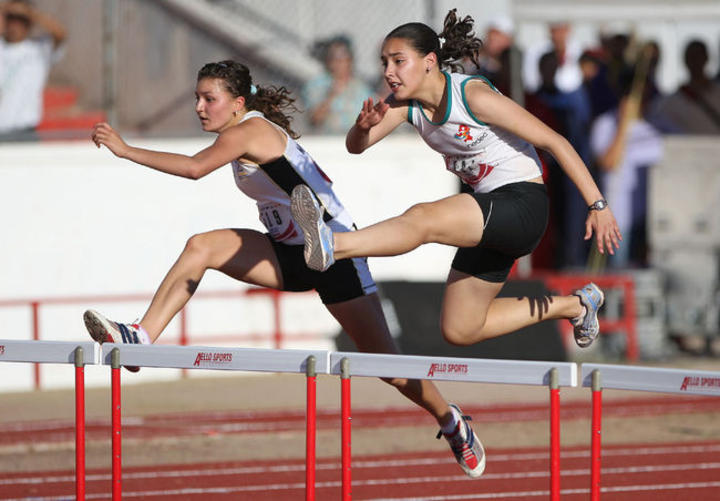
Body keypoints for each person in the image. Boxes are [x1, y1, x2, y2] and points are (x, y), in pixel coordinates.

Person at [84, 60, 486, 478]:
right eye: (197, 99)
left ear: (238, 103)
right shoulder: (240, 131)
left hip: (334, 253)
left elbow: (193, 168)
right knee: (201, 247)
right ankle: (140, 337)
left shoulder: (250, 132)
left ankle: (450, 420)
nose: (200, 107)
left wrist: (125, 149)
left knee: (387, 366)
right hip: (288, 253)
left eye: (209, 99)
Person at [290, 10, 620, 351]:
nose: (388, 72)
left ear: (429, 61)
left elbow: (555, 141)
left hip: (522, 204)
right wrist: (361, 128)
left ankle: (336, 245)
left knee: (423, 218)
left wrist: (598, 205)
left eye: (398, 61)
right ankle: (576, 305)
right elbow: (356, 148)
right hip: (490, 215)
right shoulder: (405, 105)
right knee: (461, 328)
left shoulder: (472, 97)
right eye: (384, 62)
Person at [0, 0, 66, 141]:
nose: (14, 25)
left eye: (20, 20)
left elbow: (60, 33)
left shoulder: (39, 48)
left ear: (29, 23)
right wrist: (5, 9)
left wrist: (29, 12)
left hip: (25, 131)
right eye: (11, 19)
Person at [302, 35, 373, 134]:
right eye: (334, 57)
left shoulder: (361, 87)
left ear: (350, 60)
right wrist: (331, 95)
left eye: (343, 57)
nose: (338, 62)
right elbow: (314, 119)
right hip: (327, 141)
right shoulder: (316, 85)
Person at [652, 39, 720, 134]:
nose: (696, 61)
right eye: (692, 57)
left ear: (706, 58)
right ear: (685, 60)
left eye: (698, 56)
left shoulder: (717, 94)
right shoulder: (671, 102)